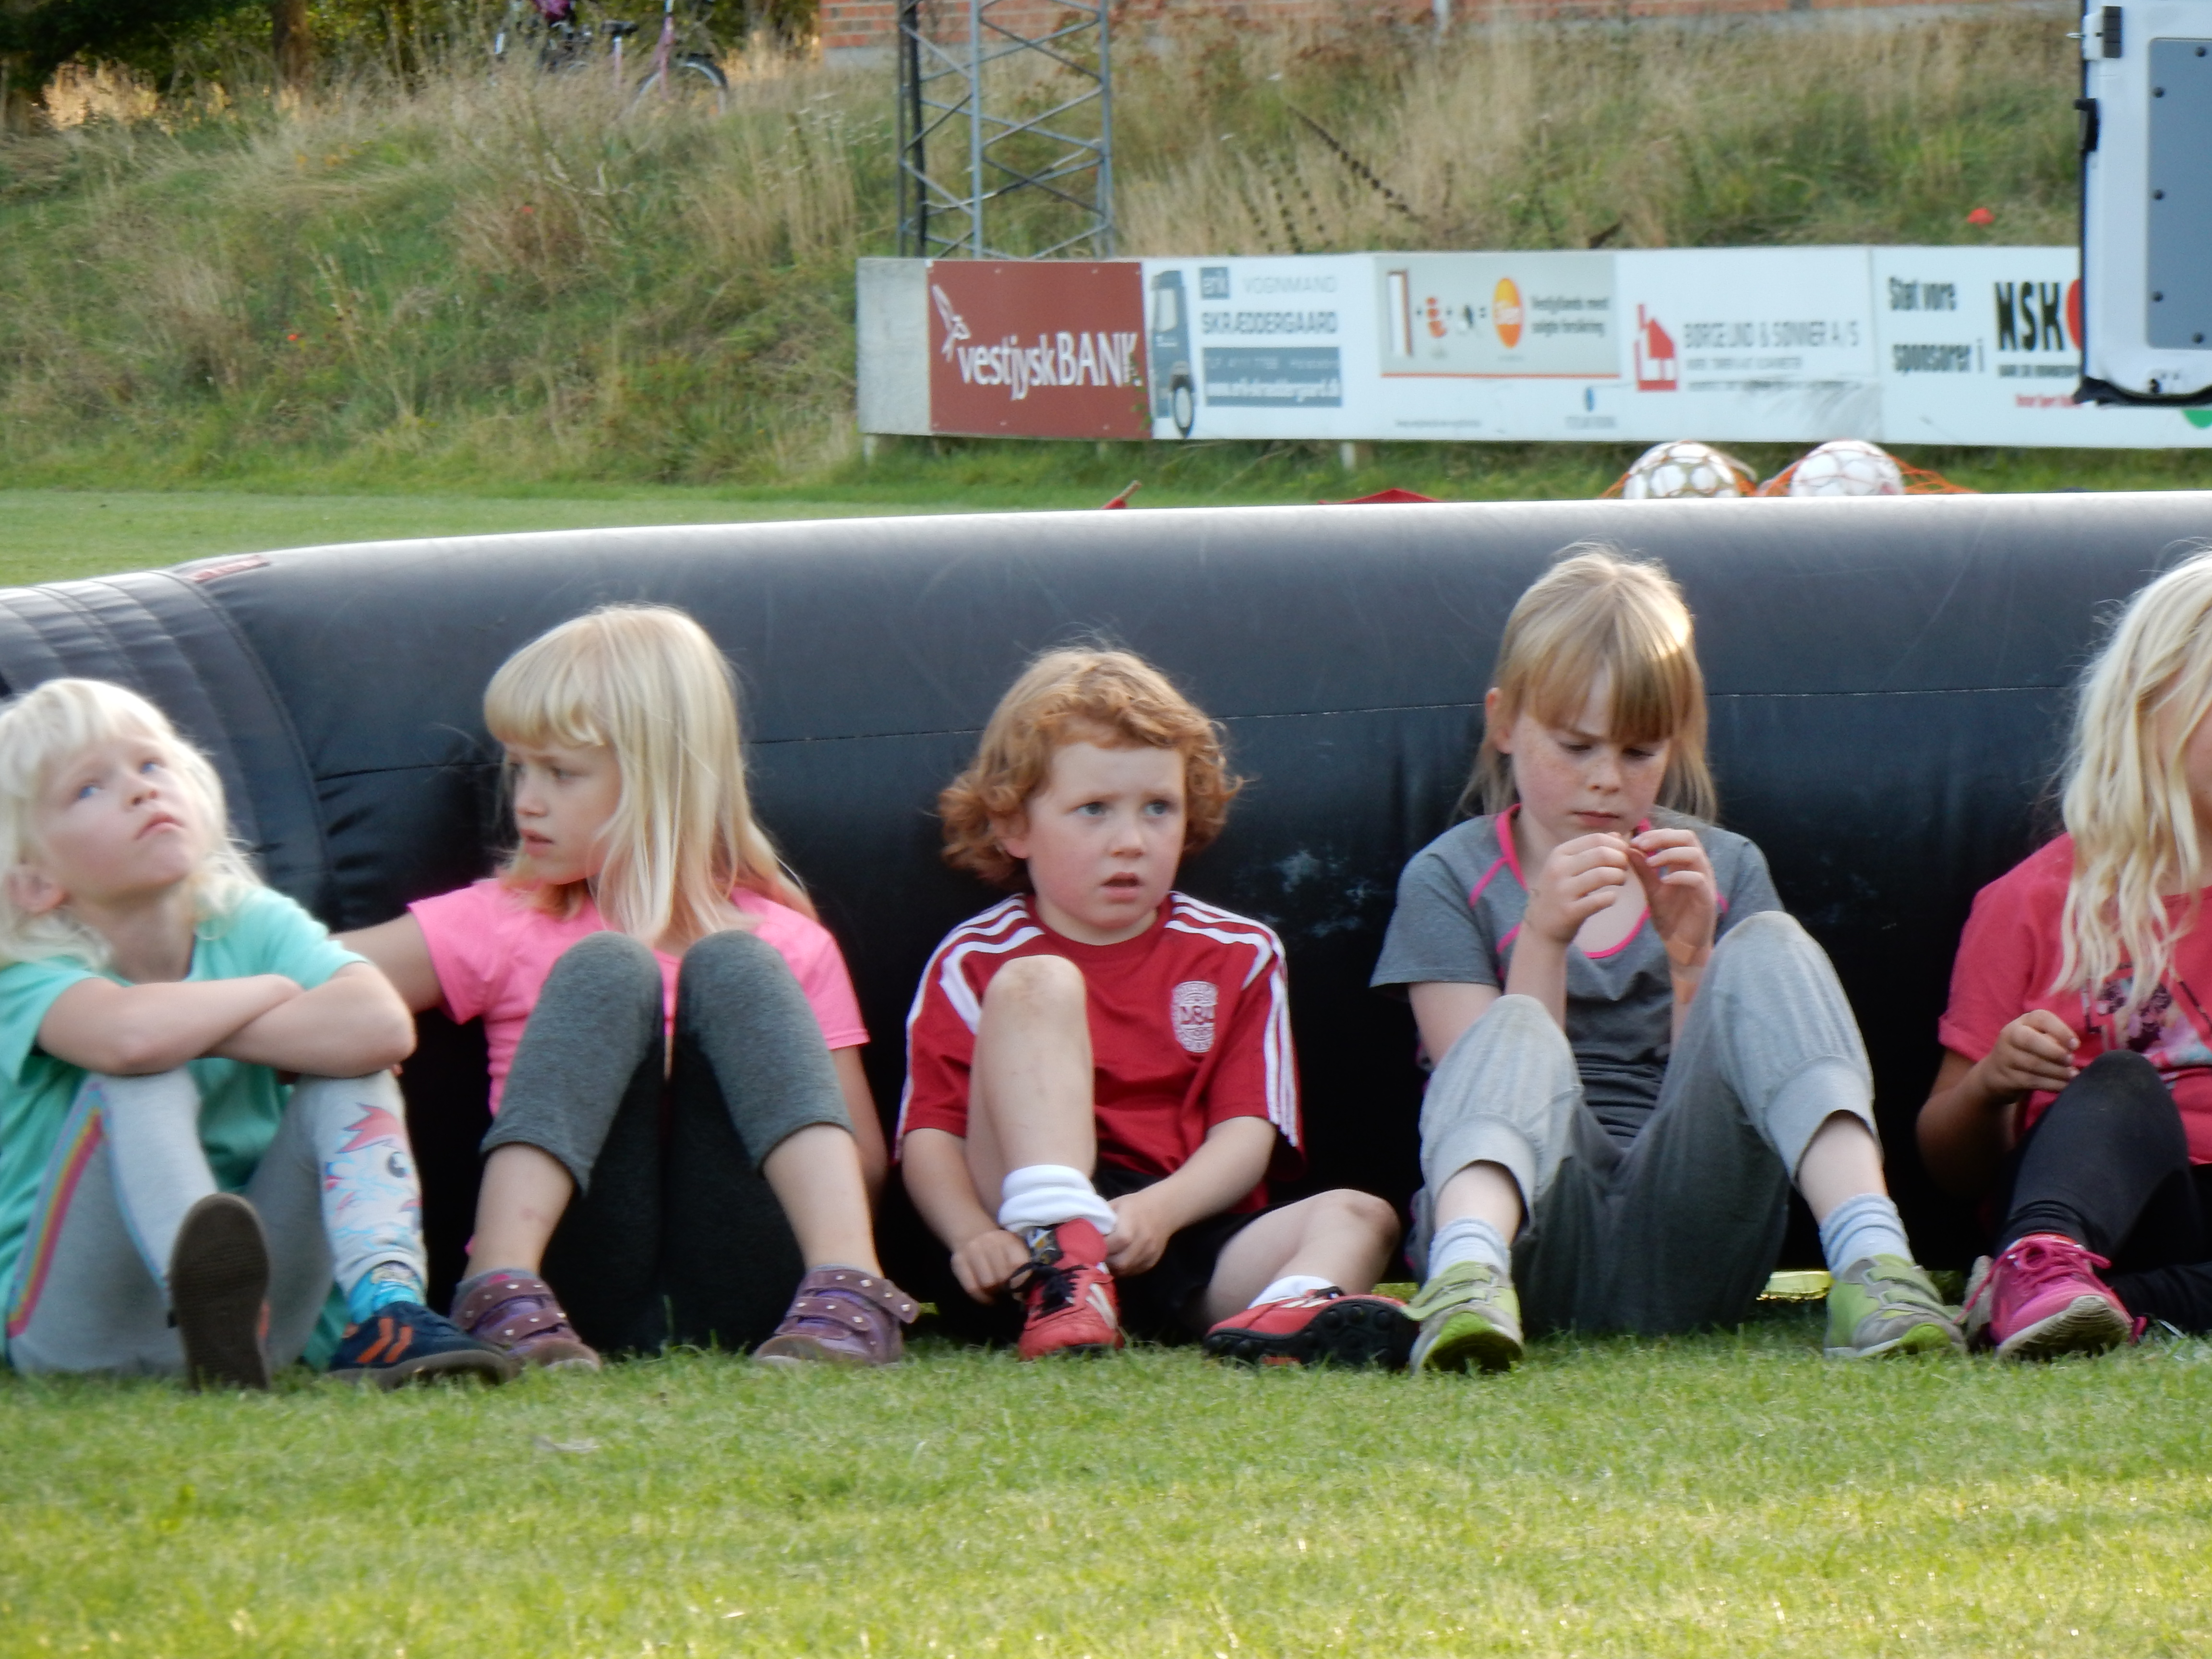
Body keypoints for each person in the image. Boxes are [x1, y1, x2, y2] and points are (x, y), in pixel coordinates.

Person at [1371, 546, 1960, 1372]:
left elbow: (1730, 1100)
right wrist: (1543, 940)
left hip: (1693, 1249)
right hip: (1527, 1243)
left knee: (1772, 944)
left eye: (1639, 753)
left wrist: (1691, 965)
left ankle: (1875, 1261)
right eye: (1576, 746)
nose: (1606, 781)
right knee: (1513, 1029)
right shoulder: (1450, 877)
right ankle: (1464, 1282)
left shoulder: (1723, 866)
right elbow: (1473, 1090)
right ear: (1504, 724)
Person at [344, 605, 913, 1370]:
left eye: (561, 773)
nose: (527, 801)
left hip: (756, 1285)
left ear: (658, 780)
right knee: (608, 967)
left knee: (737, 965)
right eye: (519, 769)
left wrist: (724, 1089)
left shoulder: (788, 943)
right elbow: (311, 972)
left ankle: (852, 1293)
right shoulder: (506, 920)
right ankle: (498, 1285)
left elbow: (863, 1165)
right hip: (574, 1288)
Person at [899, 647, 1408, 1365]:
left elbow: (1247, 1134)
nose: (1131, 842)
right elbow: (931, 1135)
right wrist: (969, 1236)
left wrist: (1159, 1212)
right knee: (1037, 983)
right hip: (1023, 1246)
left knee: (1363, 1215)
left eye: (1158, 809)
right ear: (1015, 826)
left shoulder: (1239, 952)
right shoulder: (976, 958)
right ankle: (1065, 1262)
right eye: (1094, 810)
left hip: (1177, 1228)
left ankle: (1287, 1314)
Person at [0, 678, 508, 1390]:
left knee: (352, 1071)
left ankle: (387, 1309)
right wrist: (272, 993)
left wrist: (205, 1023)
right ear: (33, 881)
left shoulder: (248, 920)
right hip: (74, 1324)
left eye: (151, 764)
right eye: (89, 788)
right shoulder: (25, 972)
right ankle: (203, 1301)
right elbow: (129, 1040)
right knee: (141, 1077)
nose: (141, 791)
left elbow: (380, 1025)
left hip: (266, 1322)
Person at [1921, 551, 2212, 1359]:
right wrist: (1994, 1084)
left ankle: (2115, 1311)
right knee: (2122, 1082)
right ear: (2150, 704)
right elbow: (1949, 1164)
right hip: (2100, 1210)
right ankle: (2040, 1270)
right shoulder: (2034, 901)